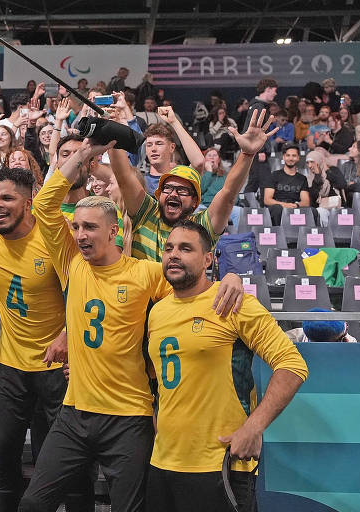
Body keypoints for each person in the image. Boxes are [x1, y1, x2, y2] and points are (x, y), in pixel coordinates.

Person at [19, 136, 244, 512]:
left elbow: (193, 283)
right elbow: (44, 206)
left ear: (113, 231)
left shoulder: (145, 273)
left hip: (128, 418)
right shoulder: (71, 262)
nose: (80, 236)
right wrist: (86, 153)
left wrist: (232, 278)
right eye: (76, 228)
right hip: (74, 413)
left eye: (90, 228)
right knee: (32, 505)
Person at [146, 221, 308, 512]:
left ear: (208, 259)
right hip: (162, 462)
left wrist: (253, 427)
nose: (173, 255)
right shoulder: (157, 311)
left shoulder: (233, 302)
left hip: (219, 463)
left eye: (186, 248)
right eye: (169, 248)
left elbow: (292, 364)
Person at [0, 168, 88, 511]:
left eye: (7, 198)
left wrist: (68, 334)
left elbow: (85, 288)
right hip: (10, 367)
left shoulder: (54, 236)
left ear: (29, 202)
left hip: (58, 367)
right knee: (3, 456)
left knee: (69, 461)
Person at [108, 108, 277, 261]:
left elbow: (228, 194)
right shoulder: (146, 213)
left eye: (182, 190)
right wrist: (114, 129)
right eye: (167, 188)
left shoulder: (201, 227)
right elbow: (123, 176)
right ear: (159, 194)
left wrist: (247, 154)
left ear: (195, 201)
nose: (173, 194)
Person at [141, 107, 206, 194]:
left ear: (172, 147)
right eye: (149, 145)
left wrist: (174, 122)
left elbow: (198, 162)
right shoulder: (139, 181)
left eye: (159, 143)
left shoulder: (180, 179)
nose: (153, 149)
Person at [263, 144, 311, 226]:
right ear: (284, 157)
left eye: (294, 156)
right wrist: (285, 205)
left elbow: (306, 201)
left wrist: (296, 205)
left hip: (294, 208)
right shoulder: (274, 175)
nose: (291, 158)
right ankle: (277, 234)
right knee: (277, 209)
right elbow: (267, 200)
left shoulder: (302, 179)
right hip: (277, 208)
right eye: (288, 155)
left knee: (312, 211)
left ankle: (302, 237)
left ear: (298, 158)